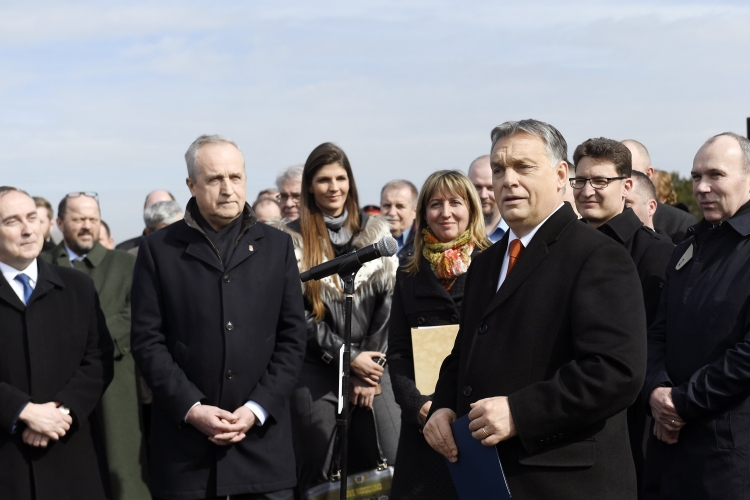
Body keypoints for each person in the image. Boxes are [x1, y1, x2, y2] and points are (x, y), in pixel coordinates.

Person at [424, 119, 647, 499]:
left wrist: (519, 412)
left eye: (523, 167)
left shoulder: (597, 255)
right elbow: (465, 353)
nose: (508, 180)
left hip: (565, 482)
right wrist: (443, 406)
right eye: (498, 169)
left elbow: (616, 372)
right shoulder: (484, 263)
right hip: (488, 476)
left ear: (561, 175)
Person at [131, 134, 306, 500]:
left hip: (263, 447)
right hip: (186, 455)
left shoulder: (277, 247)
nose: (228, 189)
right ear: (191, 185)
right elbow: (147, 342)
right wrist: (192, 408)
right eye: (215, 179)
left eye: (235, 177)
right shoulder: (157, 250)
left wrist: (256, 408)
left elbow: (292, 337)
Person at [279, 142, 401, 495]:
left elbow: (389, 302)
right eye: (324, 180)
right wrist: (347, 358)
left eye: (340, 178)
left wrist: (368, 367)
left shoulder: (376, 232)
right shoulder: (289, 239)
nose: (334, 187)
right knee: (319, 468)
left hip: (373, 365)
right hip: (316, 367)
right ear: (309, 186)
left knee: (394, 454)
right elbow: (295, 313)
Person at [643, 132, 750, 499]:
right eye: (696, 177)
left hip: (729, 456)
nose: (702, 187)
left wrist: (682, 402)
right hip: (668, 447)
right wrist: (656, 390)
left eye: (716, 175)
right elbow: (658, 332)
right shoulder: (685, 250)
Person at [572, 138, 675, 496]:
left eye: (600, 181)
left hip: (634, 425)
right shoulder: (564, 248)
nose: (587, 190)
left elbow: (663, 339)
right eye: (580, 180)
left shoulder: (658, 254)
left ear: (627, 185)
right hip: (573, 417)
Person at [0, 186, 114, 500]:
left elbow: (99, 359)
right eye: (12, 221)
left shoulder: (78, 287)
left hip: (70, 457)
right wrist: (22, 411)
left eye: (32, 218)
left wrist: (60, 412)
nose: (27, 229)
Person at [387, 170, 491, 500]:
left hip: (477, 417)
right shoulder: (409, 272)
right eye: (435, 204)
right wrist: (418, 406)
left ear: (471, 209)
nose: (445, 213)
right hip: (423, 421)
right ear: (423, 213)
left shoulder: (493, 264)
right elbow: (398, 351)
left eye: (455, 203)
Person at [41, 192, 149, 500]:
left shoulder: (125, 264)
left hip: (117, 385)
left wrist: (89, 340)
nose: (87, 226)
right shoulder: (41, 265)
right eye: (78, 219)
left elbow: (139, 314)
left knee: (123, 469)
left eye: (93, 219)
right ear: (60, 223)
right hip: (56, 387)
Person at [622, 139, 697, 243]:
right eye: (616, 174)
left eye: (630, 174)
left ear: (648, 174)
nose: (624, 182)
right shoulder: (601, 219)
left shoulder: (679, 223)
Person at [468, 154, 508, 242]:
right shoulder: (454, 234)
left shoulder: (517, 234)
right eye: (477, 187)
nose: (483, 195)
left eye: (490, 188)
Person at [380, 179, 418, 267]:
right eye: (387, 205)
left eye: (400, 206)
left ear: (414, 211)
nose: (392, 213)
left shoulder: (424, 246)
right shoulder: (366, 242)